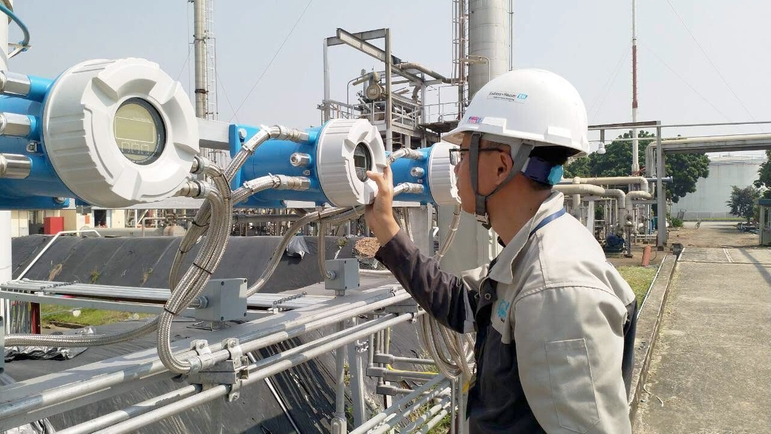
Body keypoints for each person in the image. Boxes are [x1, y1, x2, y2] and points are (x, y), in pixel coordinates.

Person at [365, 69, 637, 433]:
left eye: (463, 153)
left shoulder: (556, 289)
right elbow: (463, 304)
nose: (458, 167)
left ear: (500, 166)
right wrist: (386, 227)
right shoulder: (531, 252)